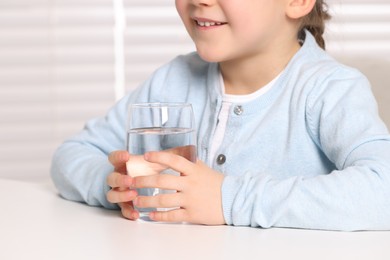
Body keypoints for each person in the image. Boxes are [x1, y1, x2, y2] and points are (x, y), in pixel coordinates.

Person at [51, 0, 390, 231]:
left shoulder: (329, 89)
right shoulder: (173, 81)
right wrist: (115, 184)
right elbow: (72, 154)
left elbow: (383, 188)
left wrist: (227, 199)